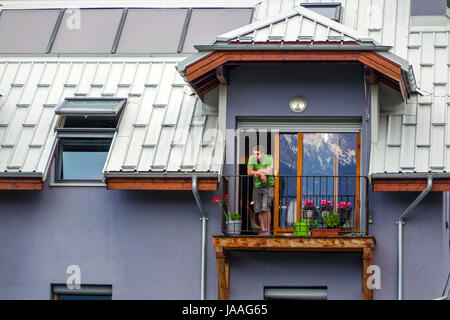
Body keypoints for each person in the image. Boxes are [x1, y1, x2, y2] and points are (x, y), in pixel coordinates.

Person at [247, 145, 274, 236]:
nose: (255, 156)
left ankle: (268, 230)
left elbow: (270, 171)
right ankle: (263, 230)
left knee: (265, 207)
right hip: (257, 186)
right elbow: (249, 171)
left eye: (257, 154)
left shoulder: (269, 158)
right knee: (258, 209)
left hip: (268, 186)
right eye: (254, 154)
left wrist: (260, 170)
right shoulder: (251, 158)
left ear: (263, 154)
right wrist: (258, 172)